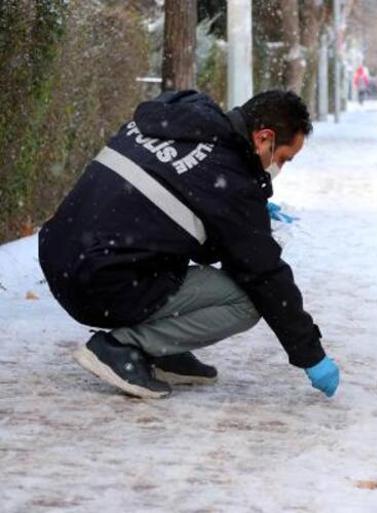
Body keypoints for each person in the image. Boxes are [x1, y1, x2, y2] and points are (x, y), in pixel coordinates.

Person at [38, 89, 340, 400]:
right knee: (248, 301)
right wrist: (311, 356)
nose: (280, 167)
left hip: (60, 257)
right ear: (264, 138)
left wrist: (242, 221)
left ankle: (164, 349)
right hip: (98, 286)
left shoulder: (186, 115)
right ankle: (125, 347)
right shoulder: (230, 179)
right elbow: (265, 276)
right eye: (283, 158)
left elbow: (181, 225)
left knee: (166, 246)